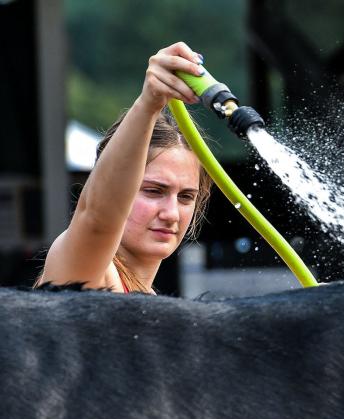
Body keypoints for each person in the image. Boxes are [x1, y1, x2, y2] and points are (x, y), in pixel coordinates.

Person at [37, 42, 212, 294]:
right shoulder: (85, 270)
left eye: (186, 197)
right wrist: (149, 102)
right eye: (153, 191)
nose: (171, 214)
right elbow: (97, 219)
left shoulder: (150, 298)